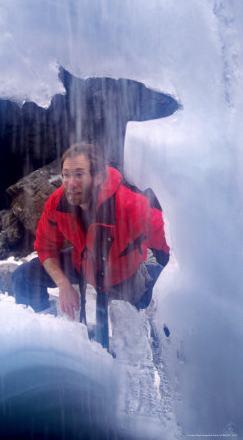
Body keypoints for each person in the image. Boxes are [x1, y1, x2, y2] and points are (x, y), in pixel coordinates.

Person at [12, 143, 170, 348]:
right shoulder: (58, 202)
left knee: (153, 322)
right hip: (83, 264)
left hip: (125, 274)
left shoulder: (129, 205)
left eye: (79, 174)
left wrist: (173, 284)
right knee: (24, 277)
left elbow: (173, 242)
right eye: (66, 175)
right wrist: (63, 284)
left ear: (98, 178)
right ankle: (42, 341)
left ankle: (158, 365)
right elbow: (46, 247)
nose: (70, 183)